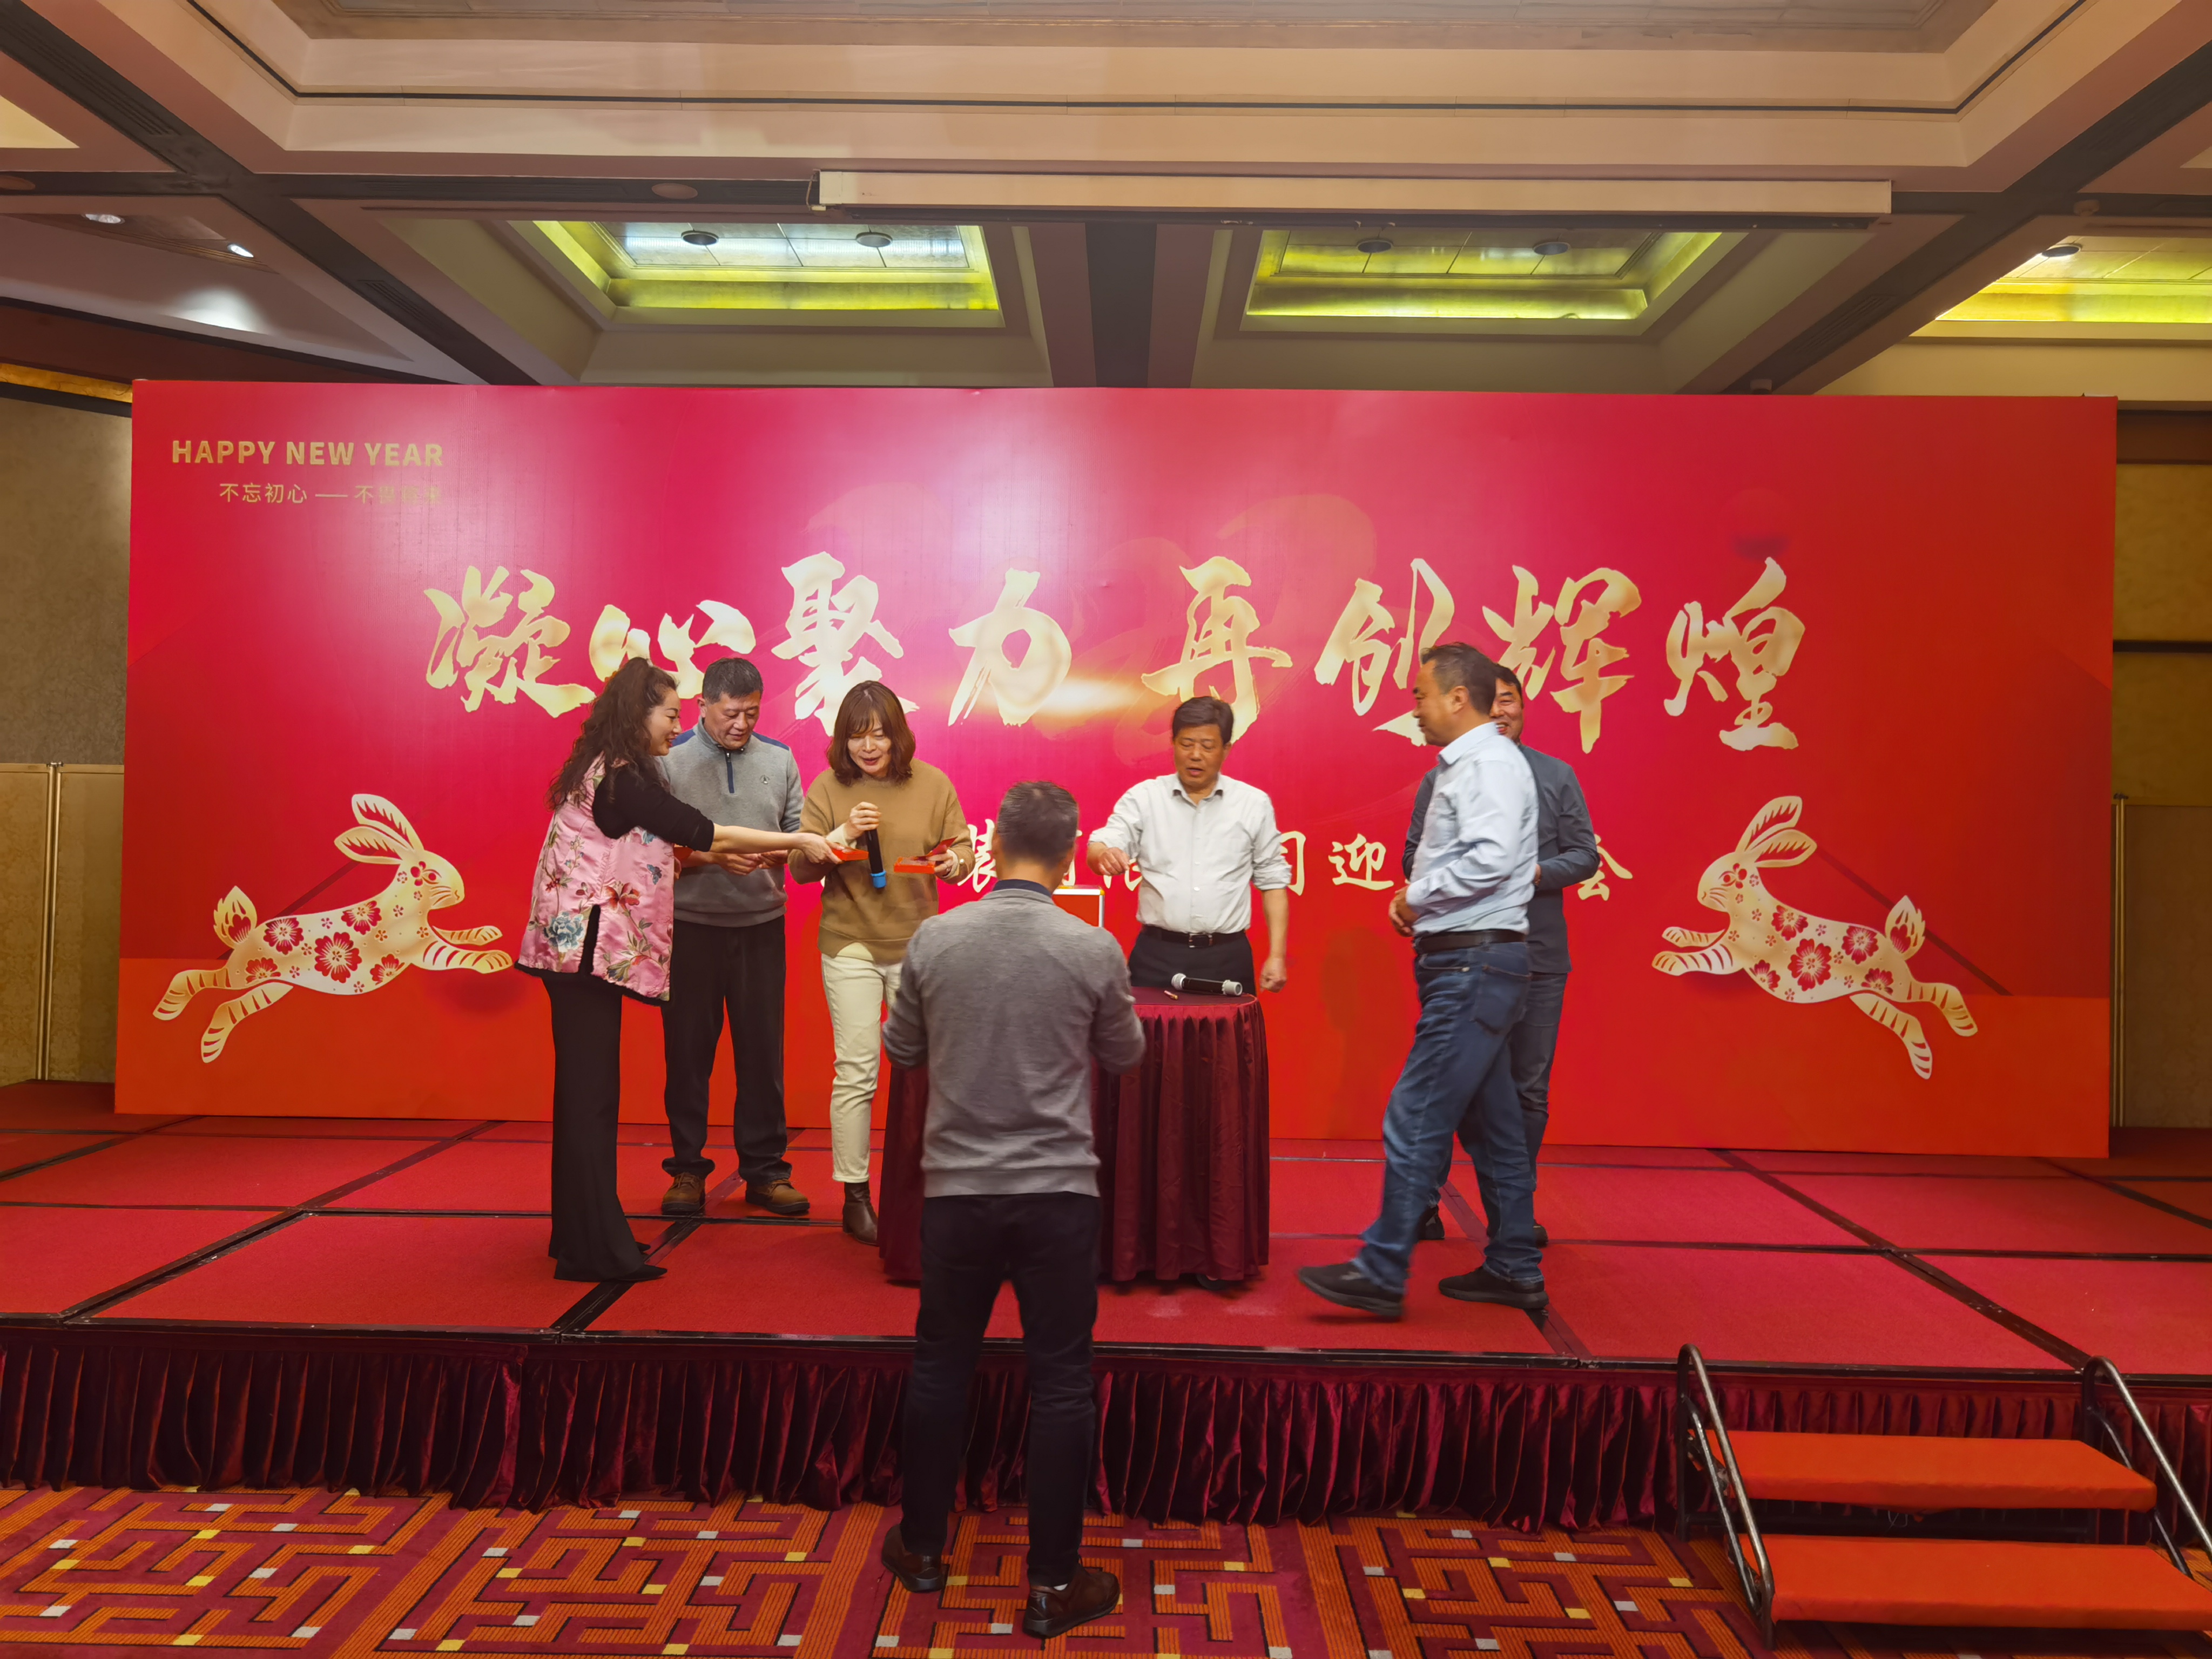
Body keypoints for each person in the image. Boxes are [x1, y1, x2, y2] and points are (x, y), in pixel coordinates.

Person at [876, 781, 1146, 1638]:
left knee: (940, 1367)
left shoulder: (936, 937)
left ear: (992, 849)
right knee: (1062, 1381)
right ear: (1068, 857)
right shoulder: (1092, 947)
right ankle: (1054, 1585)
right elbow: (1126, 1053)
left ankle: (923, 1551)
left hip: (958, 1192)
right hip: (1057, 1195)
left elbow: (903, 1048)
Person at [518, 657, 833, 1283]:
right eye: (669, 714)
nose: (675, 725)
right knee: (591, 1104)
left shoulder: (610, 768)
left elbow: (670, 847)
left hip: (574, 952)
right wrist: (798, 841)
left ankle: (579, 1236)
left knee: (584, 1102)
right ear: (640, 716)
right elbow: (703, 831)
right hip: (581, 953)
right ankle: (593, 1251)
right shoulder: (623, 778)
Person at [1297, 643, 1543, 1318]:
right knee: (1494, 1129)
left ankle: (1381, 1270)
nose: (1415, 709)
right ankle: (1516, 1267)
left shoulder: (1488, 765)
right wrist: (1425, 906)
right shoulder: (1475, 763)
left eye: (1420, 695)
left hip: (1473, 966)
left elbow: (1490, 859)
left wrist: (1417, 897)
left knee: (1416, 1112)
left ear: (1458, 698)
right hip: (1471, 962)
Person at [1405, 666, 1597, 1246]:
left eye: (1511, 701)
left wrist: (1531, 872)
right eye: (1494, 702)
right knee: (1449, 1081)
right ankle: (1421, 1205)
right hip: (1464, 954)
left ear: (1522, 707)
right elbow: (1414, 855)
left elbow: (1584, 855)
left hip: (1538, 956)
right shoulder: (1444, 776)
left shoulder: (1555, 775)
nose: (1502, 712)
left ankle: (1512, 1216)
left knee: (1527, 1090)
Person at [788, 681, 973, 1245]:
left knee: (927, 1072)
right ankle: (854, 1194)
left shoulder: (933, 784)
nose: (868, 746)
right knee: (857, 1070)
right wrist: (841, 835)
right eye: (856, 735)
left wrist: (953, 863)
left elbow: (962, 851)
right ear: (842, 740)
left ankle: (932, 1189)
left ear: (898, 735)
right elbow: (800, 869)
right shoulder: (828, 787)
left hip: (918, 949)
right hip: (851, 946)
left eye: (879, 734)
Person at [658, 656, 809, 1220]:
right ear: (702, 706)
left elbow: (799, 840)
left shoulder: (780, 759)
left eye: (751, 713)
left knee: (762, 1057)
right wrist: (713, 857)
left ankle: (767, 1173)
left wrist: (773, 854)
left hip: (761, 928)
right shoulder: (669, 760)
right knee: (688, 1057)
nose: (742, 724)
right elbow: (653, 850)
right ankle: (687, 1171)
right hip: (690, 929)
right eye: (731, 713)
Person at [1086, 695, 1291, 993]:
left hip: (1227, 957)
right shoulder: (1145, 798)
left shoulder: (1253, 804)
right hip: (1157, 956)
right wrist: (1104, 854)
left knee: (1228, 1028)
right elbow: (1102, 844)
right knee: (1149, 1027)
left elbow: (1273, 882)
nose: (1195, 755)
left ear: (1226, 749)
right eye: (1186, 744)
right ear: (1173, 744)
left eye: (1207, 746)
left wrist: (1277, 956)